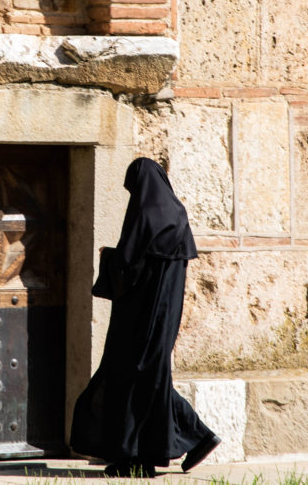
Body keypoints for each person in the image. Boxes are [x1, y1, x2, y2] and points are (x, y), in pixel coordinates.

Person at [70, 157, 220, 478]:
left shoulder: (144, 216)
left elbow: (129, 265)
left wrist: (108, 257)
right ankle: (188, 440)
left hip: (138, 321)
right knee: (150, 379)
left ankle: (137, 457)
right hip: (164, 321)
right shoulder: (177, 217)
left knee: (129, 378)